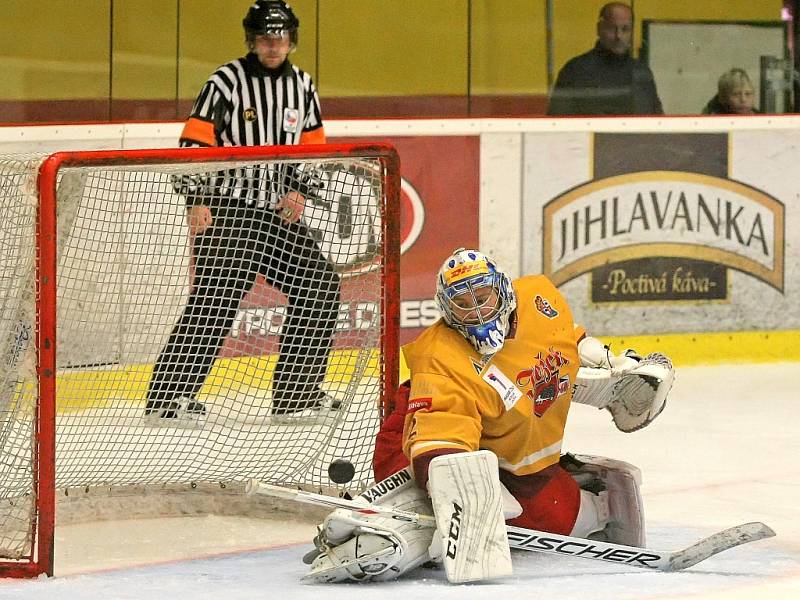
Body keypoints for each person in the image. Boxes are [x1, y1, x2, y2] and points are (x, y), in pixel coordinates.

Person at [301, 248, 675, 582]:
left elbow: (566, 336)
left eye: (483, 296)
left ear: (505, 290)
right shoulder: (440, 357)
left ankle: (578, 480)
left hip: (507, 449)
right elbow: (436, 450)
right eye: (464, 303)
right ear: (448, 310)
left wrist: (607, 360)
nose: (477, 310)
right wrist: (471, 497)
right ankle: (399, 529)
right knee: (432, 514)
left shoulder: (537, 296)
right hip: (418, 441)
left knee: (558, 516)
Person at [144, 0, 340, 425]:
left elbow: (312, 150)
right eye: (267, 37)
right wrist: (196, 199)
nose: (274, 45)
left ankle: (296, 396)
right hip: (230, 210)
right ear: (253, 40)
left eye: (281, 37)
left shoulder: (302, 86)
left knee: (320, 286)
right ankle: (167, 399)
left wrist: (300, 191)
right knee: (216, 300)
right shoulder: (225, 81)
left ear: (292, 40)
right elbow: (194, 144)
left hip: (277, 214)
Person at [547, 2, 663, 116]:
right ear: (599, 29)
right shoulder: (575, 71)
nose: (619, 36)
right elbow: (557, 124)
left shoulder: (641, 73)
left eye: (625, 29)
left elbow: (657, 122)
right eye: (612, 28)